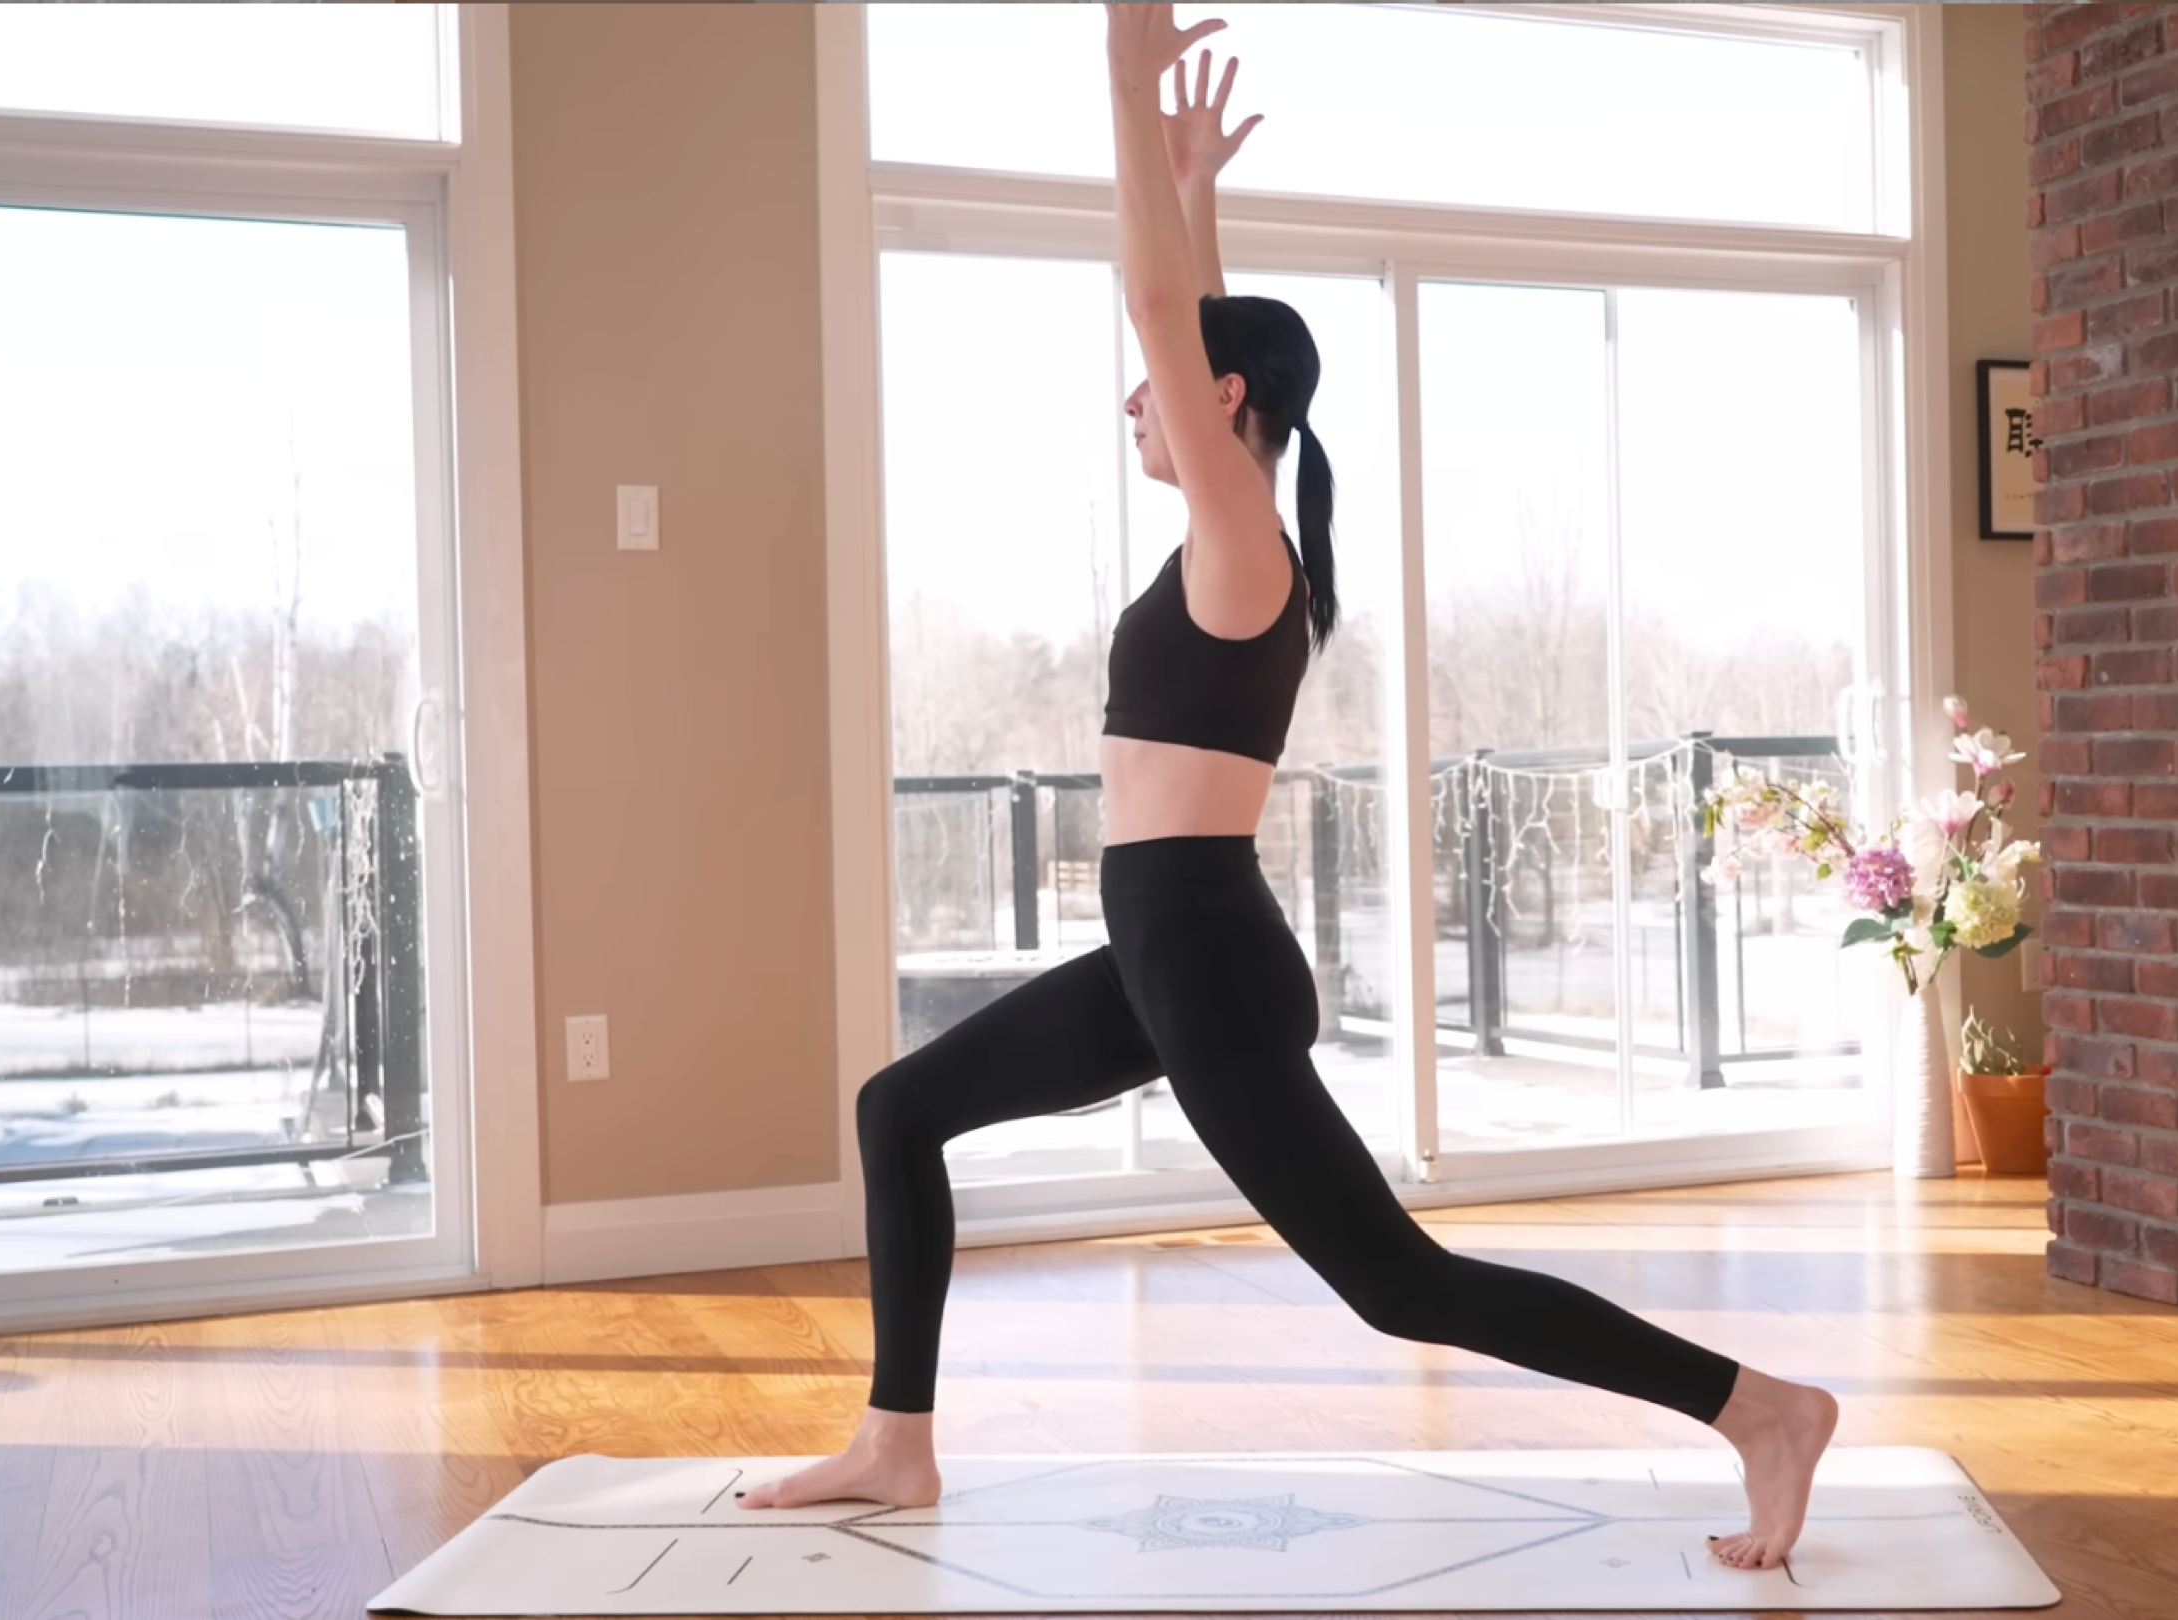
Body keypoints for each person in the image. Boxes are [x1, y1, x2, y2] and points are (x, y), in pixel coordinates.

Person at [741, 5, 1839, 1572]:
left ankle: (1759, 1410)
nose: (1138, 403)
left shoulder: (1243, 543)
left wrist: (1123, 91)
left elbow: (1157, 315)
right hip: (1162, 946)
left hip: (1200, 953)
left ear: (1230, 402)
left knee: (1399, 1286)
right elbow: (1184, 309)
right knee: (901, 1107)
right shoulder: (1240, 534)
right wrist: (1190, 182)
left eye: (1169, 392)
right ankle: (896, 1444)